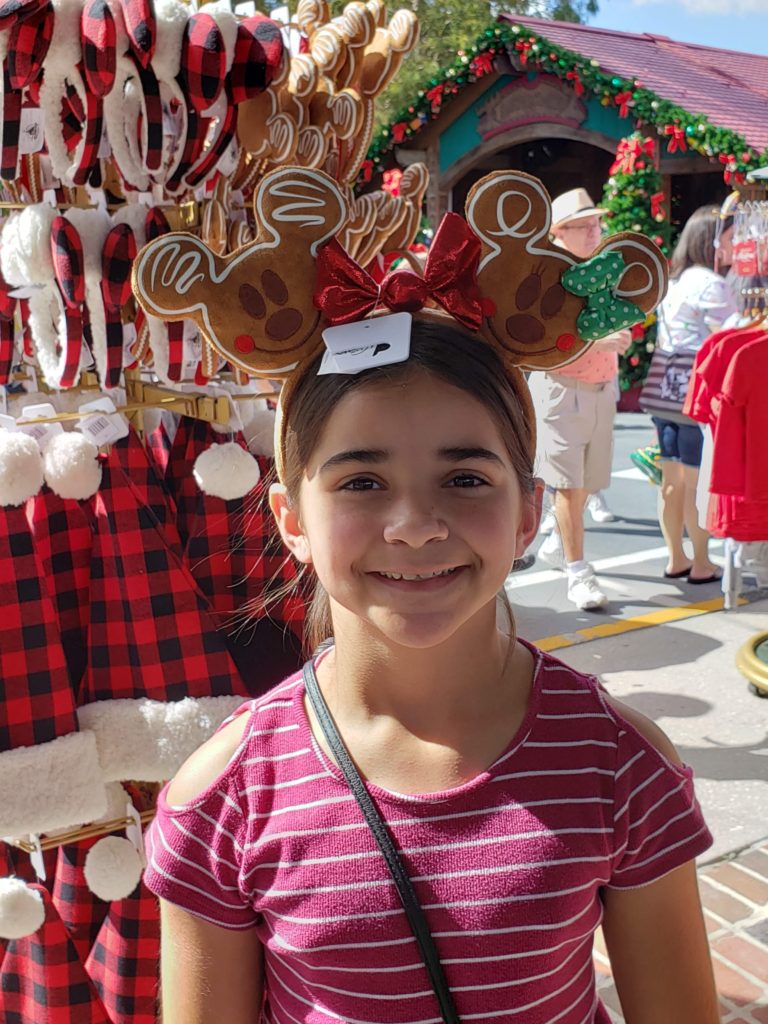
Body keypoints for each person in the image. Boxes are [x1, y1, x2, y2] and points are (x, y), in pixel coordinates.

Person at [143, 314, 718, 1022]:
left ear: (526, 513)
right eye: (361, 482)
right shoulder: (224, 797)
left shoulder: (622, 765)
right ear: (292, 520)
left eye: (466, 477)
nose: (415, 523)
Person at [530, 188, 632, 609]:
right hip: (561, 388)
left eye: (596, 224)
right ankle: (578, 573)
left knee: (588, 481)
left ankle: (560, 537)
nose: (596, 231)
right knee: (571, 487)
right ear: (560, 232)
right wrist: (600, 342)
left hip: (599, 387)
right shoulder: (547, 276)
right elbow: (544, 338)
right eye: (586, 225)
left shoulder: (598, 269)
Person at [653, 204, 737, 582]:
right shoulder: (712, 284)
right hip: (695, 394)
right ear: (712, 240)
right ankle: (701, 562)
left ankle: (676, 557)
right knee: (694, 479)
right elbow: (732, 337)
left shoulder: (676, 281)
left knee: (671, 479)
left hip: (663, 393)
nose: (734, 245)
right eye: (730, 236)